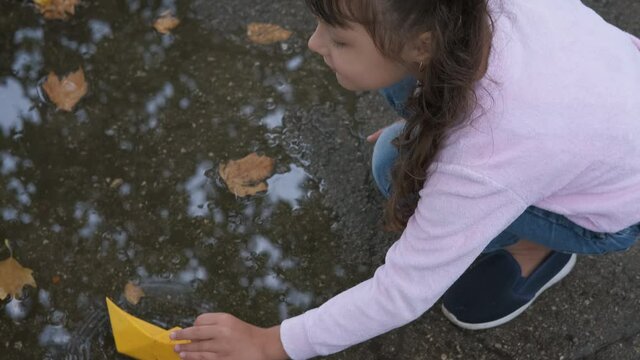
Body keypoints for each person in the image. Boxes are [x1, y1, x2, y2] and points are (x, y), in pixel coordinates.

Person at [170, 0, 640, 359]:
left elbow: (400, 294)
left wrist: (272, 343)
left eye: (338, 38)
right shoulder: (459, 19)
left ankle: (541, 251)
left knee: (393, 176)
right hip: (607, 108)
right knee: (400, 146)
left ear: (423, 46)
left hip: (611, 207)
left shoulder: (487, 154)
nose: (314, 44)